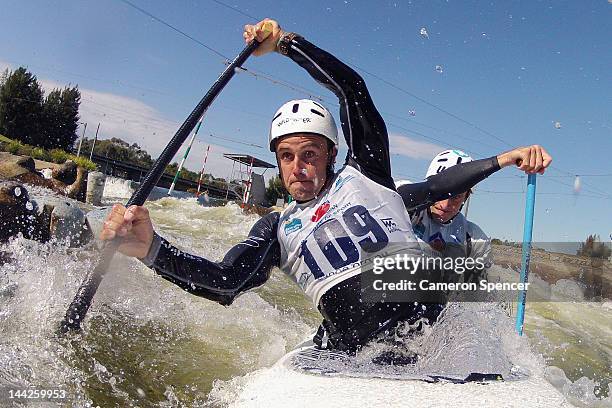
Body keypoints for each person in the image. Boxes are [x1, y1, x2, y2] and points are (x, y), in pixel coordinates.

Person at [100, 18, 552, 353]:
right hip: (353, 355)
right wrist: (151, 249)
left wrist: (286, 45)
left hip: (429, 333)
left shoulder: (369, 177)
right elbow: (225, 282)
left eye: (310, 154)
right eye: (287, 156)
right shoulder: (276, 231)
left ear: (332, 155)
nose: (299, 168)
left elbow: (353, 91)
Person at [398, 149, 492, 285]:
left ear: (466, 197)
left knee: (454, 253)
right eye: (441, 193)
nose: (445, 204)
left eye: (457, 196)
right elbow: (401, 194)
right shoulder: (406, 202)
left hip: (438, 299)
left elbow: (478, 292)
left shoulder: (475, 238)